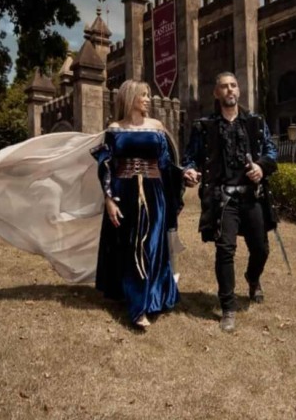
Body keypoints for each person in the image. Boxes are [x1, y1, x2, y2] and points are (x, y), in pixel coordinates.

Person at [182, 72, 278, 333]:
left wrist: (261, 167)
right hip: (223, 199)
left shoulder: (256, 122)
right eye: (223, 86)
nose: (229, 90)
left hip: (252, 196)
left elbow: (272, 151)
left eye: (233, 85)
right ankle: (228, 307)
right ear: (216, 93)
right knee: (225, 250)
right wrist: (188, 171)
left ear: (239, 91)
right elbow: (189, 158)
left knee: (261, 248)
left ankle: (252, 277)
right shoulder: (204, 127)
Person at [90, 80, 183, 329]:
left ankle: (144, 302)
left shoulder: (157, 127)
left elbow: (165, 164)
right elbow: (105, 165)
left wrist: (182, 176)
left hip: (154, 193)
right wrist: (109, 199)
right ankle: (137, 302)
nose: (147, 99)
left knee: (150, 245)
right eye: (143, 95)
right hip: (124, 192)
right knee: (130, 246)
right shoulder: (115, 128)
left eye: (148, 95)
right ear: (130, 98)